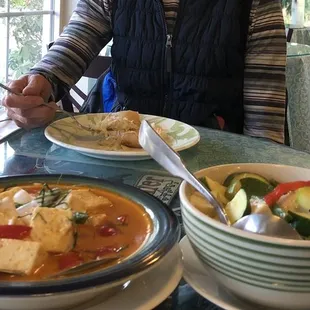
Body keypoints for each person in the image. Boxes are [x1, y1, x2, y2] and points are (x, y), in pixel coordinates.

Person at [2, 0, 286, 143]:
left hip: (213, 165)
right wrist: (43, 79)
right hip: (119, 152)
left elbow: (265, 130)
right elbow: (75, 40)